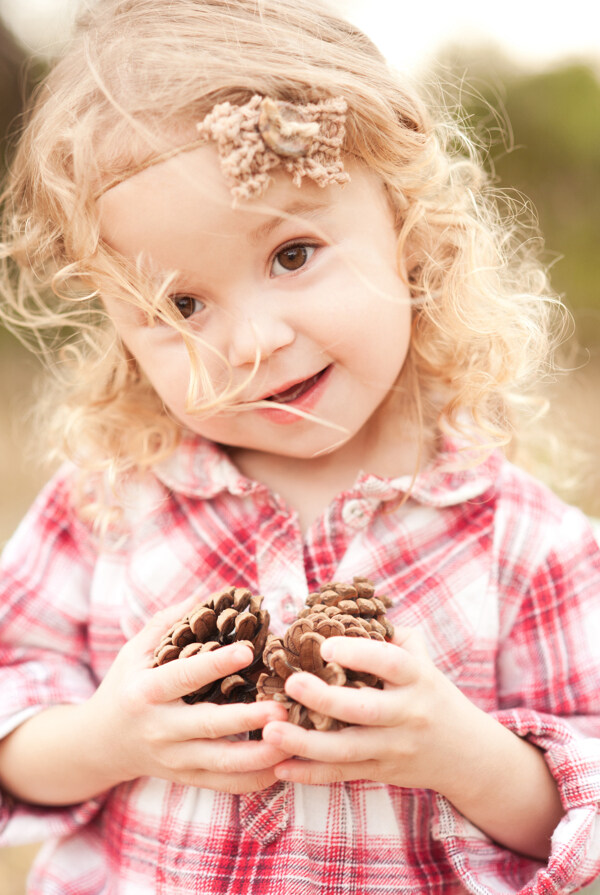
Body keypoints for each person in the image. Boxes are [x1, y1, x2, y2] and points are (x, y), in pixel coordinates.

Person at [0, 0, 599, 892]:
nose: (250, 344)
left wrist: (461, 753)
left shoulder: (527, 542)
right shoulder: (105, 506)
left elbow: (579, 803)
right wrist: (104, 738)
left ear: (406, 224)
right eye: (181, 308)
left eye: (292, 254)